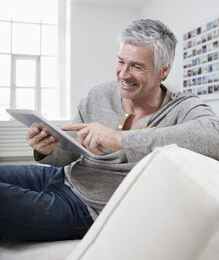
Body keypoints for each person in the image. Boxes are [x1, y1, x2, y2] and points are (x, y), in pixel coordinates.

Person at [1, 19, 219, 242]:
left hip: (87, 207)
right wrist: (46, 149)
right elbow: (70, 153)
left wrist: (119, 138)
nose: (123, 74)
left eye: (136, 66)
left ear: (163, 70)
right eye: (121, 61)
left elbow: (214, 136)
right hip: (60, 176)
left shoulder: (182, 107)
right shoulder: (98, 94)